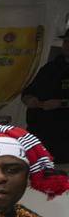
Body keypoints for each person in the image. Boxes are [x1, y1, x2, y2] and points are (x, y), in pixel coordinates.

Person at [21, 31, 69, 163]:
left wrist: (62, 103)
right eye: (66, 41)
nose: (67, 45)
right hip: (38, 134)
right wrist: (29, 99)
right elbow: (28, 91)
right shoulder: (50, 67)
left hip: (64, 139)